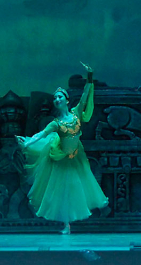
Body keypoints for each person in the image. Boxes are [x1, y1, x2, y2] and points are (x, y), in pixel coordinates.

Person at [17, 63, 108, 234]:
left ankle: (74, 221)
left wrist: (90, 76)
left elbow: (85, 95)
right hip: (62, 158)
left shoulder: (76, 112)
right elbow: (41, 134)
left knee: (77, 188)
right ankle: (66, 224)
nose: (57, 100)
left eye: (59, 97)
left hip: (76, 156)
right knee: (64, 190)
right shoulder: (55, 123)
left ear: (66, 100)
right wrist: (27, 143)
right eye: (55, 98)